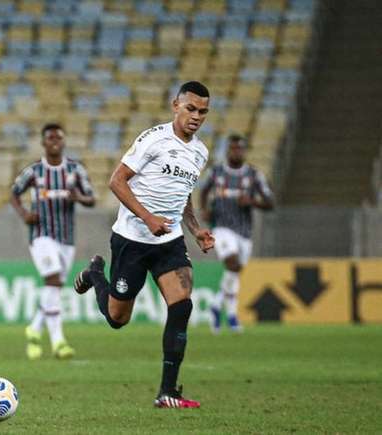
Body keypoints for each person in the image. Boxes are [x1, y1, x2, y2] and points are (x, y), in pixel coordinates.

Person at [73, 81, 215, 408]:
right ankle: (96, 274)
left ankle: (168, 392)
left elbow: (184, 194)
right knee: (117, 318)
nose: (196, 117)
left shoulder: (200, 151)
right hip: (132, 240)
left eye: (203, 112)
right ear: (175, 105)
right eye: (190, 108)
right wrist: (148, 217)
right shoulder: (154, 139)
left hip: (169, 241)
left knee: (182, 304)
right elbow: (116, 181)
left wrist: (194, 230)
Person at [10, 123, 95, 361]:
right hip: (41, 235)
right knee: (54, 279)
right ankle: (59, 342)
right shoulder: (35, 171)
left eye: (59, 137)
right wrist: (25, 214)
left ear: (64, 141)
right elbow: (14, 192)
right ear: (44, 142)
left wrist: (78, 197)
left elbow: (91, 198)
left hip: (66, 238)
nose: (55, 141)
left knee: (54, 287)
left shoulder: (75, 170)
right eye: (50, 137)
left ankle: (35, 328)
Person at [199, 134, 274, 334]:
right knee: (232, 263)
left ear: (244, 151)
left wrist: (252, 202)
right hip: (222, 227)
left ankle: (216, 305)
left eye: (239, 149)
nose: (236, 152)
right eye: (232, 149)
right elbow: (203, 191)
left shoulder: (253, 175)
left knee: (235, 271)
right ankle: (231, 315)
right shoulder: (215, 172)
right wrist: (204, 209)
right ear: (227, 151)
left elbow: (270, 202)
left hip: (245, 232)